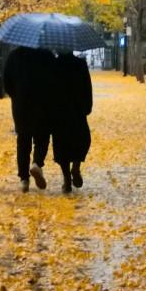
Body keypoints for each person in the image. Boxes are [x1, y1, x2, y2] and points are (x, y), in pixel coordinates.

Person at [3, 46, 56, 192]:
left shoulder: (14, 55)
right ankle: (37, 163)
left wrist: (16, 95)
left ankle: (24, 179)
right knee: (42, 138)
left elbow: (6, 82)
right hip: (43, 104)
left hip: (21, 105)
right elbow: (55, 80)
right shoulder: (47, 54)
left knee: (23, 141)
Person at [52, 51, 92, 193]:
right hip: (78, 110)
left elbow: (49, 89)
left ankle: (66, 178)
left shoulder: (54, 64)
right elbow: (88, 87)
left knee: (61, 144)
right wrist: (88, 107)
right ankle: (76, 167)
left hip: (59, 111)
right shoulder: (80, 64)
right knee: (81, 140)